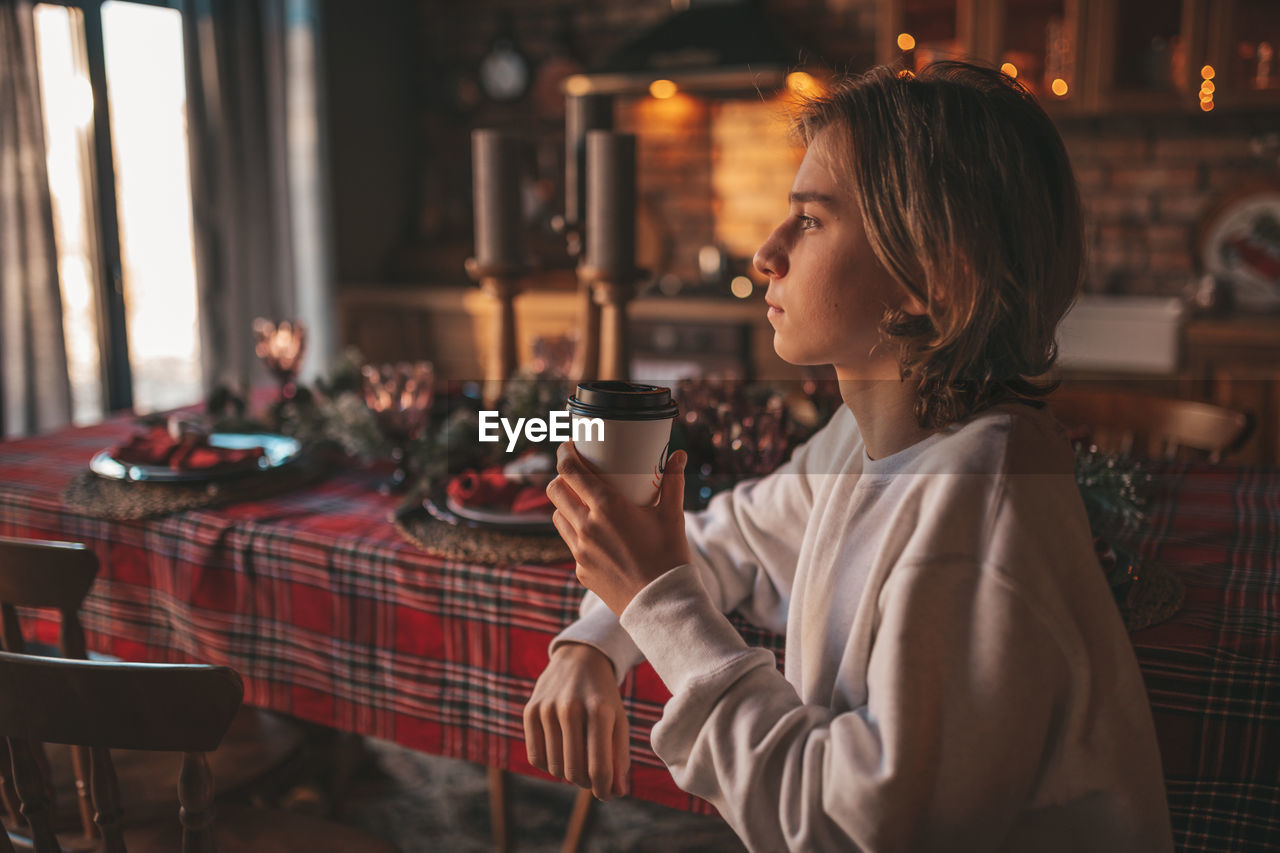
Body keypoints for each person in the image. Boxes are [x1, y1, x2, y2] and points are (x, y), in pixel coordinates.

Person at [526, 60, 1173, 852]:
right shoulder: (861, 443)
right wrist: (598, 635)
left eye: (811, 219)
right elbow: (732, 539)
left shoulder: (982, 503)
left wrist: (659, 603)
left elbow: (849, 831)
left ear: (931, 275)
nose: (766, 253)